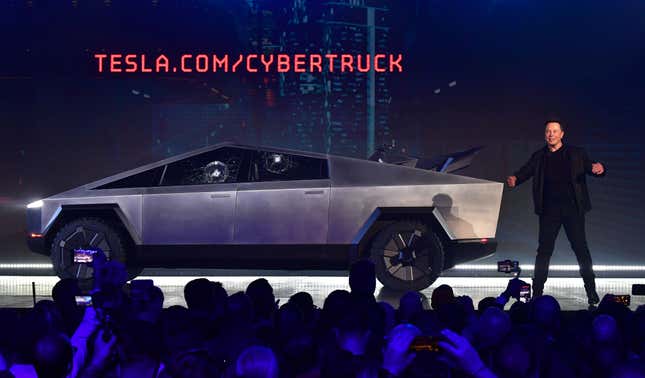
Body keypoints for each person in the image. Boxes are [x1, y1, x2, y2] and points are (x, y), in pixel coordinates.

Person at [507, 118, 605, 304]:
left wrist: (599, 168)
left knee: (581, 249)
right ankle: (537, 293)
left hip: (573, 211)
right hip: (549, 212)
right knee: (544, 251)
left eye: (554, 131)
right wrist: (515, 178)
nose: (551, 134)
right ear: (545, 135)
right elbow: (526, 171)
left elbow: (591, 167)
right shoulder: (539, 156)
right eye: (548, 131)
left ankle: (591, 292)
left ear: (561, 134)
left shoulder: (576, 153)